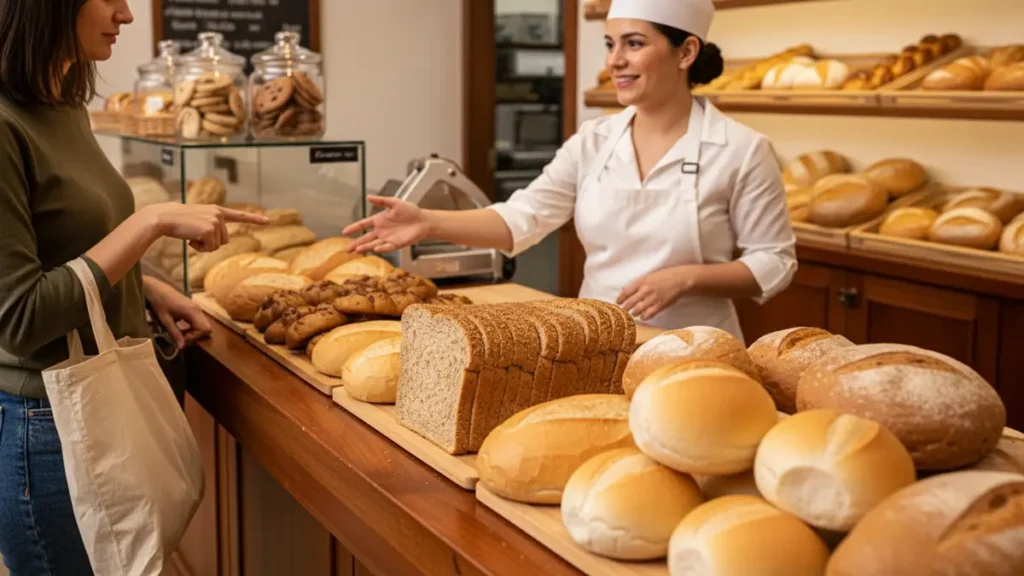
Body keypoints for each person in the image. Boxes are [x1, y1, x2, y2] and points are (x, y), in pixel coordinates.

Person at [344, 0, 797, 345]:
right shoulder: (594, 141)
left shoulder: (740, 150)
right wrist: (429, 221)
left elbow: (774, 260)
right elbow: (524, 217)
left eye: (633, 44)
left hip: (696, 352)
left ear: (686, 52)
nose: (614, 61)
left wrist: (688, 277)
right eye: (610, 44)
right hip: (597, 341)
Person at [0, 0, 268, 573]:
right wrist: (149, 224)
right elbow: (20, 318)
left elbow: (62, 245)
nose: (124, 13)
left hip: (91, 417)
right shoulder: (3, 124)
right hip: (49, 432)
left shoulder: (64, 103)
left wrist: (143, 285)